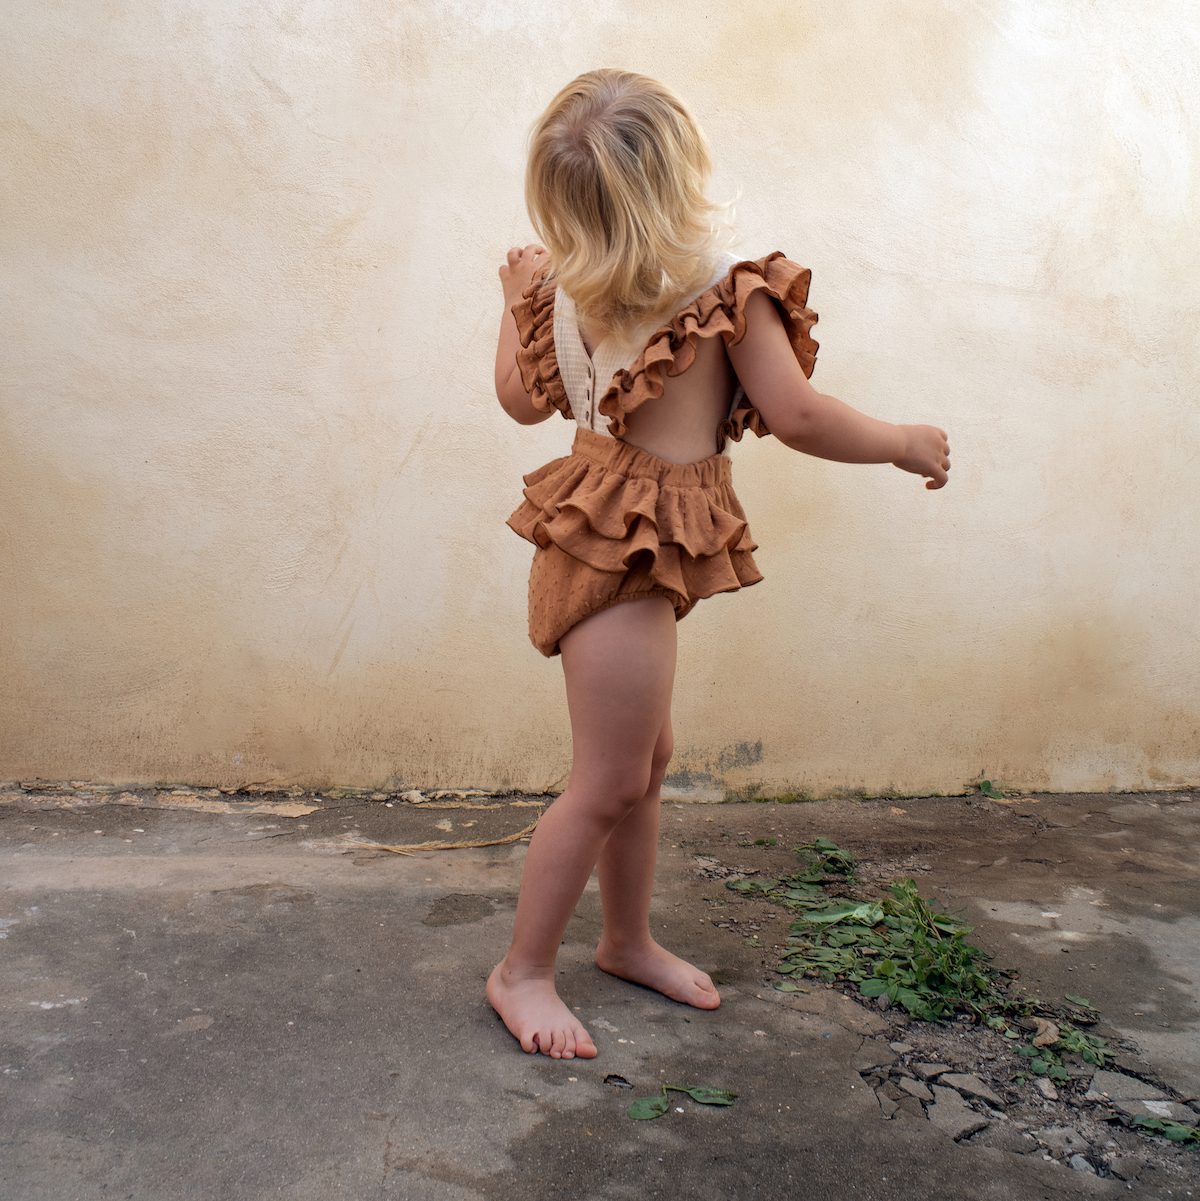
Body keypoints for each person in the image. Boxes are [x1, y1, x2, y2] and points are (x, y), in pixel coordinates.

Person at [489, 69, 950, 1060]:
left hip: (611, 530)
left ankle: (625, 939)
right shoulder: (725, 290)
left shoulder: (577, 287)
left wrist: (516, 298)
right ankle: (521, 971)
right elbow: (799, 415)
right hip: (613, 551)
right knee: (608, 779)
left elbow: (520, 402)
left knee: (645, 762)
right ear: (682, 169)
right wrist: (901, 441)